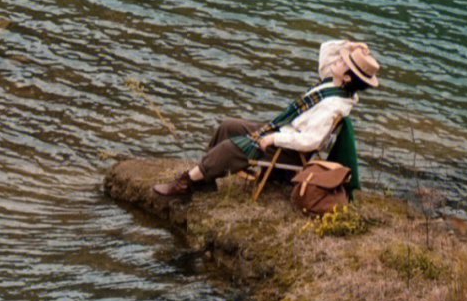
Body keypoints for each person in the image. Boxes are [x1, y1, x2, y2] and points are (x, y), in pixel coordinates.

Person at [152, 41, 380, 198]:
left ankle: (185, 184)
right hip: (284, 130)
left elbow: (310, 141)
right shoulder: (333, 84)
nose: (336, 61)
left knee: (233, 147)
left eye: (342, 62)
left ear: (348, 76)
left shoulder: (334, 105)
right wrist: (349, 47)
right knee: (228, 126)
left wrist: (274, 139)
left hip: (290, 149)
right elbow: (326, 53)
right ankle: (206, 180)